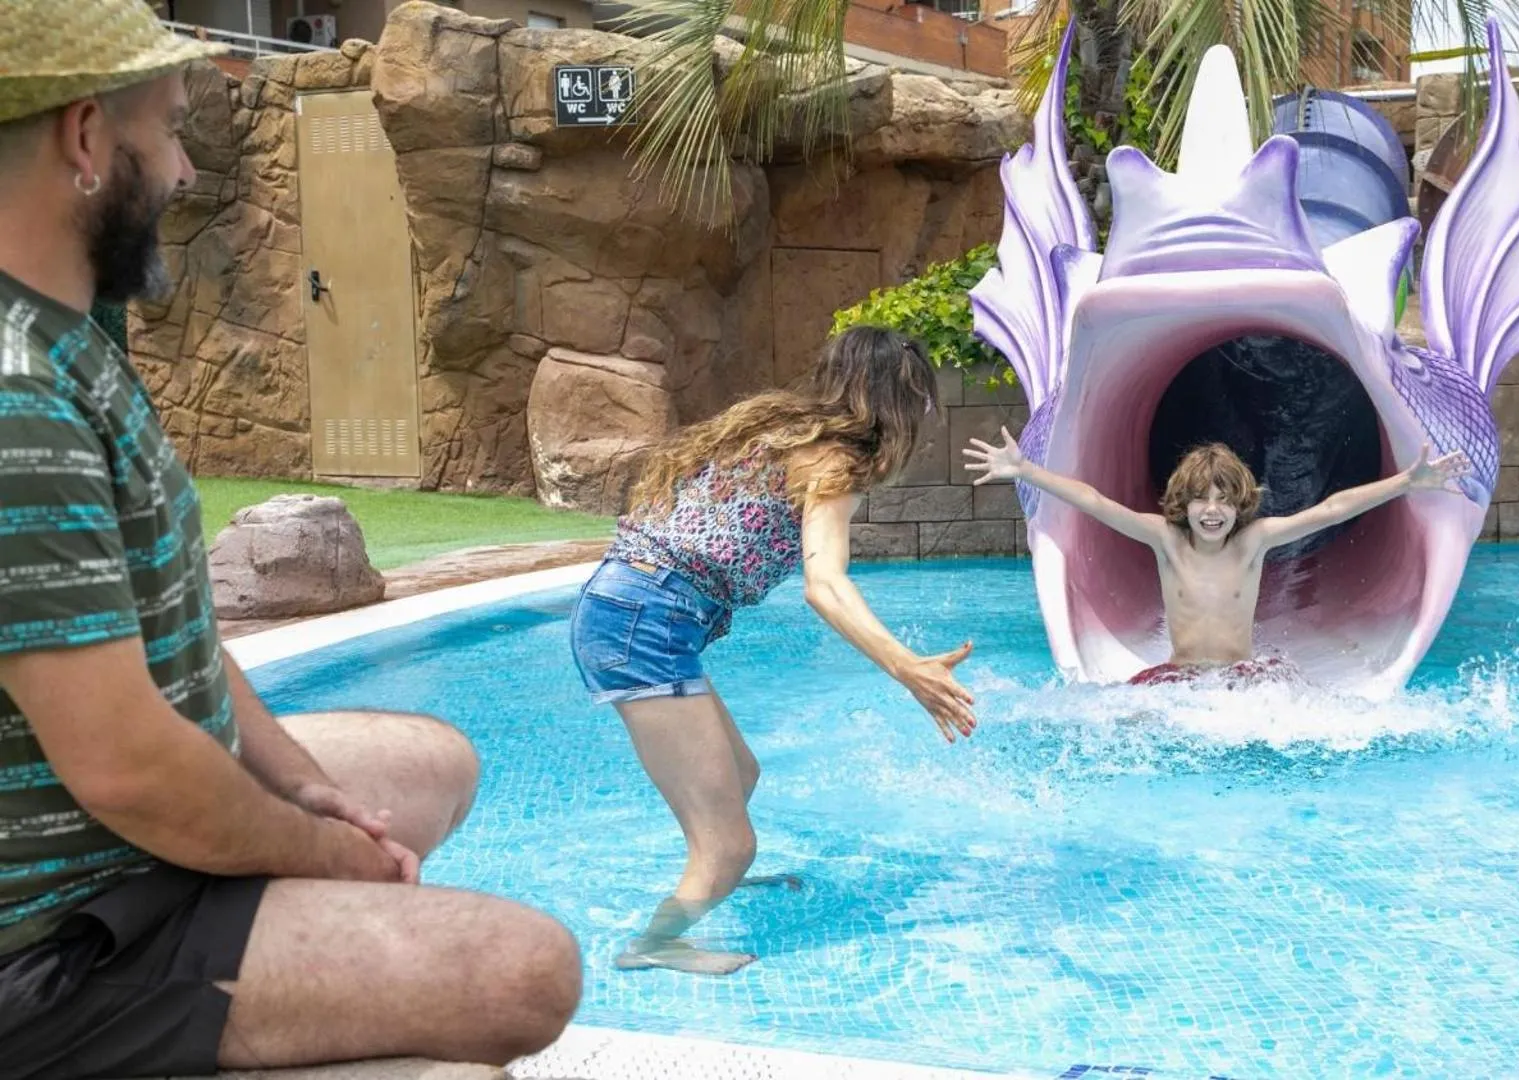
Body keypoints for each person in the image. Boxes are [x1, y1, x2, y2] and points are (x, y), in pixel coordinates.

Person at [0, 3, 581, 1076]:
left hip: (115, 834)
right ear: (85, 140)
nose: (181, 174)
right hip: (56, 941)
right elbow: (129, 771)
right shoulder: (18, 402)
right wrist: (330, 861)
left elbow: (162, 613)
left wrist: (300, 782)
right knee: (523, 970)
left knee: (434, 762)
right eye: (168, 134)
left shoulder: (64, 337)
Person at [572, 324, 978, 977]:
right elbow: (825, 585)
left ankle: (710, 870)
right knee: (733, 845)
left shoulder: (783, 430)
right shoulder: (834, 459)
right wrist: (907, 668)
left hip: (631, 609)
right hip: (644, 622)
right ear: (900, 405)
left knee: (741, 778)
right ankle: (660, 940)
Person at [964, 433, 1471, 686]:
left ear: (1241, 505)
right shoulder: (1166, 539)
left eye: (1225, 500)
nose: (1213, 510)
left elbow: (1331, 509)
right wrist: (1027, 469)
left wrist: (1406, 481)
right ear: (1182, 504)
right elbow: (1096, 501)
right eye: (1202, 499)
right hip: (1178, 678)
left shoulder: (1253, 543)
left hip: (1239, 677)